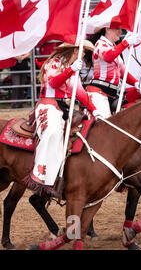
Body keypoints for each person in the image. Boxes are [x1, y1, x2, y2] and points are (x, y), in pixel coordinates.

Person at [27, 41, 100, 196]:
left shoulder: (74, 68)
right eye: (83, 51)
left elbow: (80, 93)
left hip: (65, 109)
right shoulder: (53, 63)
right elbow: (53, 82)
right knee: (52, 132)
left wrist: (95, 110)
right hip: (48, 105)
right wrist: (70, 70)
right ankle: (40, 179)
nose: (84, 54)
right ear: (75, 50)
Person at [86, 27, 141, 118]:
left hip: (112, 93)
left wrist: (135, 82)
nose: (120, 31)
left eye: (121, 29)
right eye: (117, 28)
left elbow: (121, 71)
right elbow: (108, 57)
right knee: (104, 124)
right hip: (99, 91)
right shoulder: (100, 43)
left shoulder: (113, 46)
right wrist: (125, 43)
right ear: (107, 29)